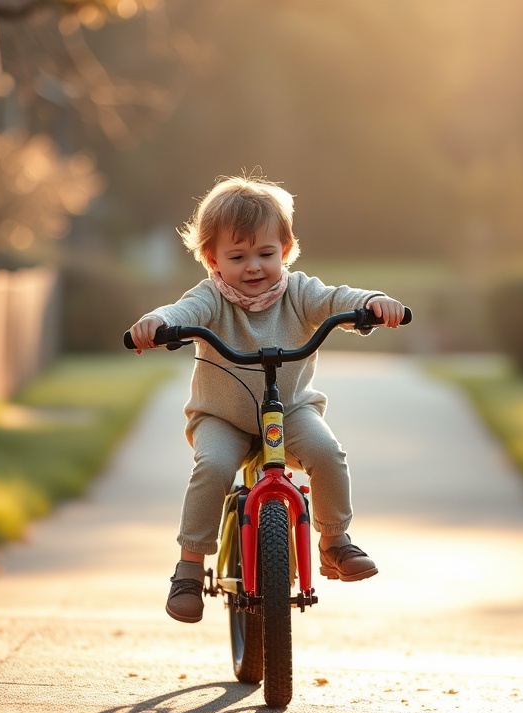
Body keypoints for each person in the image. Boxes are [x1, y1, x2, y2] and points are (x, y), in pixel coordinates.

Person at [127, 174, 406, 623]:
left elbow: (337, 299)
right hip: (223, 418)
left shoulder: (298, 292)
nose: (253, 266)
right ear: (212, 259)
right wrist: (155, 323)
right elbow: (180, 314)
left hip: (290, 410)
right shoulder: (211, 299)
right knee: (214, 466)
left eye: (266, 253)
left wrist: (372, 302)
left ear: (287, 250)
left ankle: (334, 542)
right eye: (237, 256)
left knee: (328, 453)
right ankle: (189, 569)